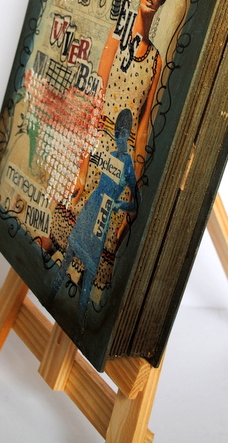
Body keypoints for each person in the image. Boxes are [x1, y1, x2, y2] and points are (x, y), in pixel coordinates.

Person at [48, 0, 178, 305]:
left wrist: (134, 190)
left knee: (93, 274)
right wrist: (81, 167)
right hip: (95, 156)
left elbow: (142, 130)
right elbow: (94, 101)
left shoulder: (156, 61)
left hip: (121, 171)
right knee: (60, 244)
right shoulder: (117, 36)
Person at [47, 109, 138, 326]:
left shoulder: (128, 164)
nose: (121, 137)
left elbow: (137, 202)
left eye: (124, 133)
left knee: (89, 272)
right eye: (118, 133)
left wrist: (119, 205)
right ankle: (49, 297)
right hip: (91, 206)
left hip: (103, 216)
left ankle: (80, 323)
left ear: (128, 134)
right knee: (68, 256)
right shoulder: (110, 155)